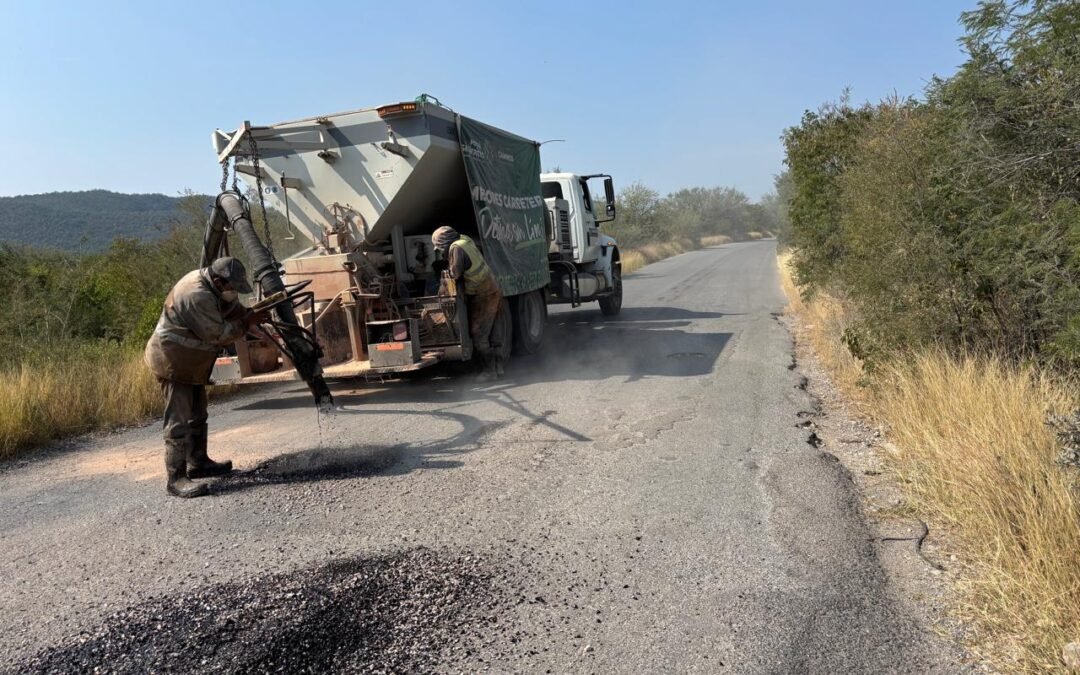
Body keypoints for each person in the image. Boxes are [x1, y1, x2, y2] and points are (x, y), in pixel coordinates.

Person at [144, 257, 268, 498]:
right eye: (232, 288)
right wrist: (247, 323)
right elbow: (218, 334)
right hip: (173, 362)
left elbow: (231, 309)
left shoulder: (212, 286)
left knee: (198, 414)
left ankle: (198, 463)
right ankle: (176, 478)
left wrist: (250, 316)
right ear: (220, 281)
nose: (233, 292)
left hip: (190, 363)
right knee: (178, 421)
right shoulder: (196, 295)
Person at [431, 225, 504, 380]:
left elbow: (455, 274)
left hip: (483, 294)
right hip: (492, 288)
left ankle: (490, 372)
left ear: (443, 244)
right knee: (493, 333)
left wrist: (443, 284)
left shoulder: (456, 249)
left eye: (439, 248)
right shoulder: (464, 239)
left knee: (479, 334)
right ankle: (499, 368)